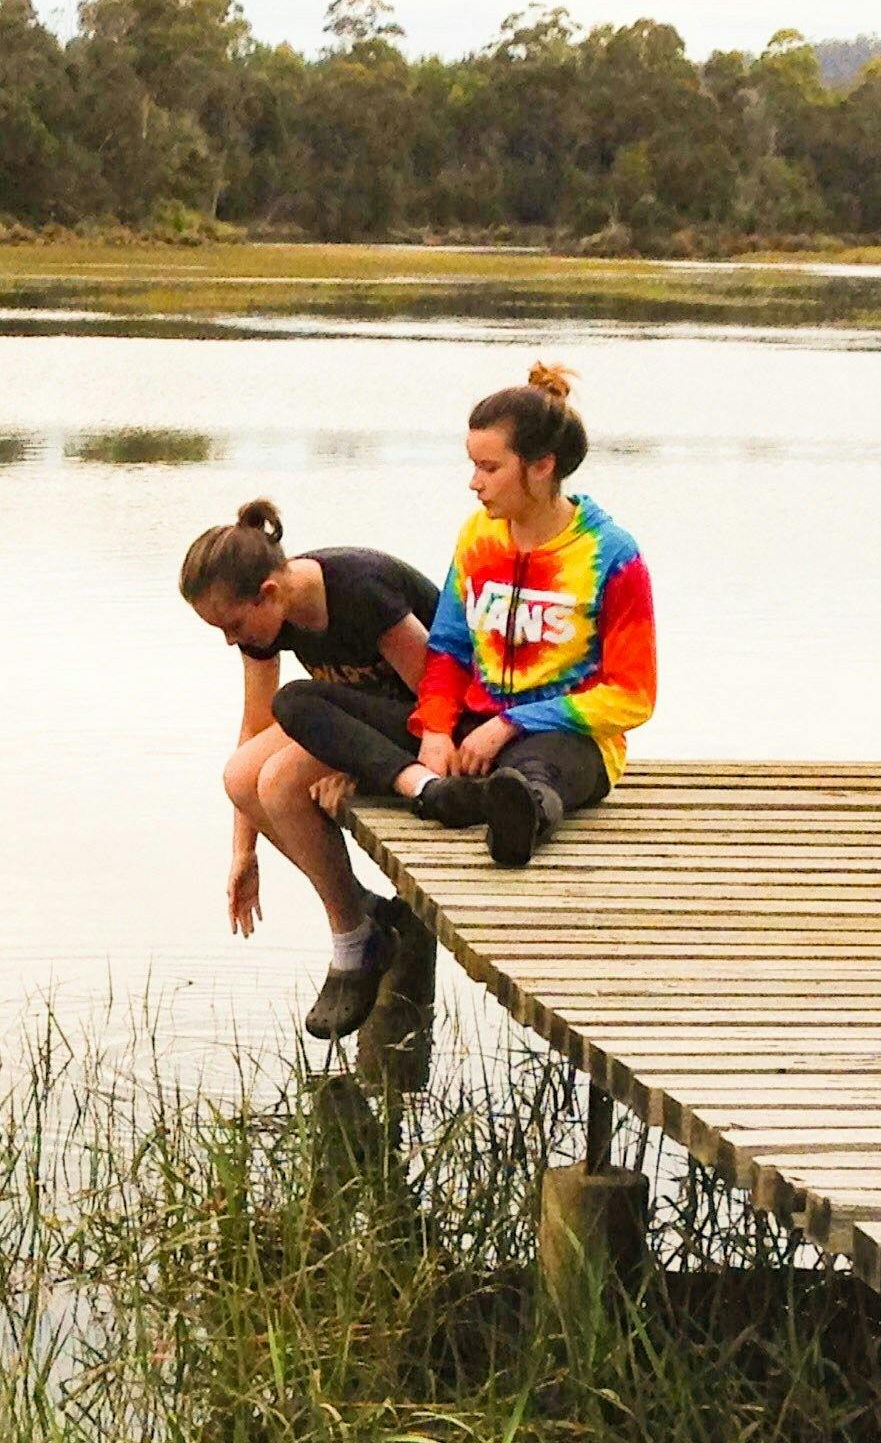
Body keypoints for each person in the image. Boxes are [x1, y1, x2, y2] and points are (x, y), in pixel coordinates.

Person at [179, 503, 443, 1039]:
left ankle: (351, 936)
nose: (231, 640)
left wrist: (363, 766)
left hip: (424, 722)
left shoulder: (359, 591)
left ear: (269, 594)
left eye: (232, 625)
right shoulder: (265, 625)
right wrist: (243, 852)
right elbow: (255, 725)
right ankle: (363, 912)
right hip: (350, 718)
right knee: (240, 776)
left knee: (278, 783)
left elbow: (438, 699)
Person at [400, 362, 657, 866]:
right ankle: (476, 794)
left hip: (568, 738)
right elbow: (449, 647)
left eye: (490, 468)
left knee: (536, 768)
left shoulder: (611, 554)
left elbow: (634, 697)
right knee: (309, 705)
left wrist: (514, 723)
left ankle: (521, 819)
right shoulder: (477, 536)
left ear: (542, 466)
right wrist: (434, 727)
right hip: (476, 724)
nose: (475, 483)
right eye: (473, 465)